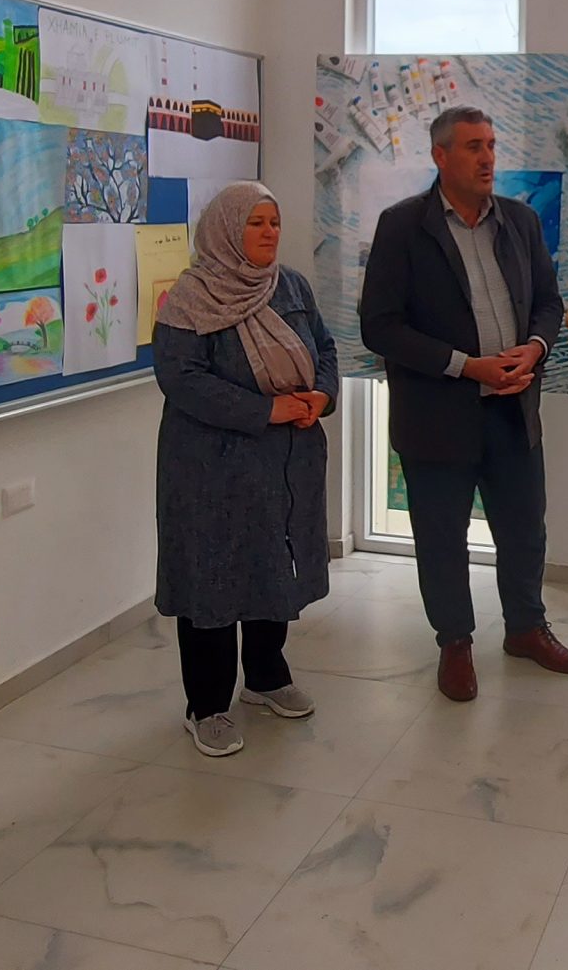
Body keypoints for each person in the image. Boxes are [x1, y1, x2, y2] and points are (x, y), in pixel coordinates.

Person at [359, 105, 568, 701]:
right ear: (440, 156)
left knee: (524, 530)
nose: (488, 158)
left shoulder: (520, 220)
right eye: (473, 147)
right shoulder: (402, 227)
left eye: (491, 145)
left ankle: (526, 629)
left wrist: (534, 350)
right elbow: (380, 326)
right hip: (437, 417)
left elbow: (548, 303)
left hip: (513, 410)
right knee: (441, 538)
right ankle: (455, 643)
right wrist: (466, 365)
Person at [151, 182, 337, 759]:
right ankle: (206, 706)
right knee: (211, 576)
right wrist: (266, 410)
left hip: (284, 461)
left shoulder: (291, 287)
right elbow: (181, 379)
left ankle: (265, 677)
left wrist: (321, 396)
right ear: (226, 230)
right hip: (211, 468)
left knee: (271, 566)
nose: (269, 232)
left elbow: (326, 349)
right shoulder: (191, 299)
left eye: (274, 222)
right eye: (256, 223)